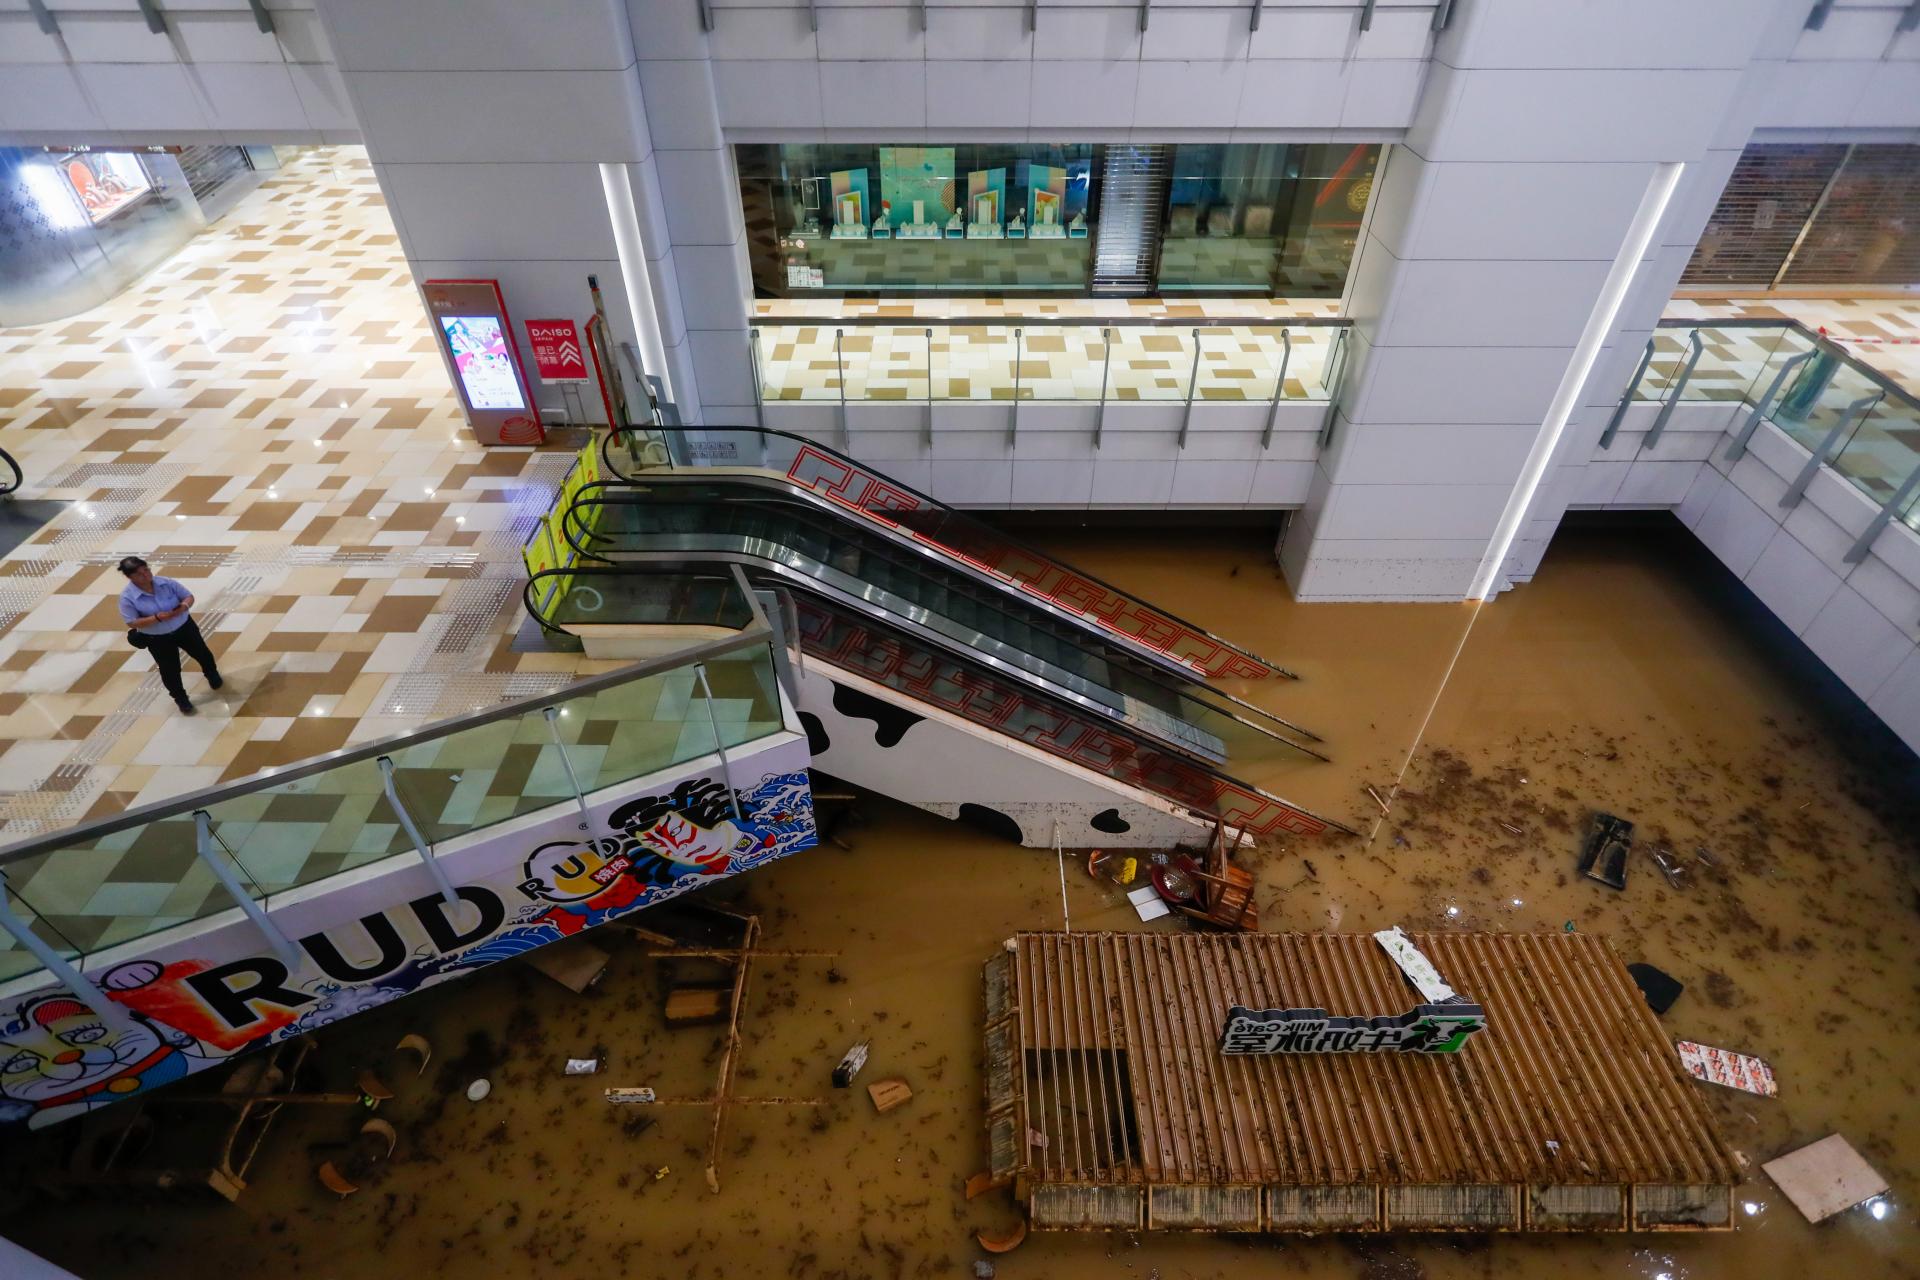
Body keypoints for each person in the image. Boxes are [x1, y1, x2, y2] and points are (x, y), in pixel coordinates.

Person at [117, 556, 221, 715]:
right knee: (169, 669)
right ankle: (180, 698)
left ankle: (212, 674)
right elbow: (131, 622)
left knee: (201, 652)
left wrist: (184, 606)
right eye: (139, 574)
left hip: (184, 628)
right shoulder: (127, 598)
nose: (145, 575)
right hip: (158, 639)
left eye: (146, 570)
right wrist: (156, 618)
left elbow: (188, 596)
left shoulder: (165, 582)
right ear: (129, 577)